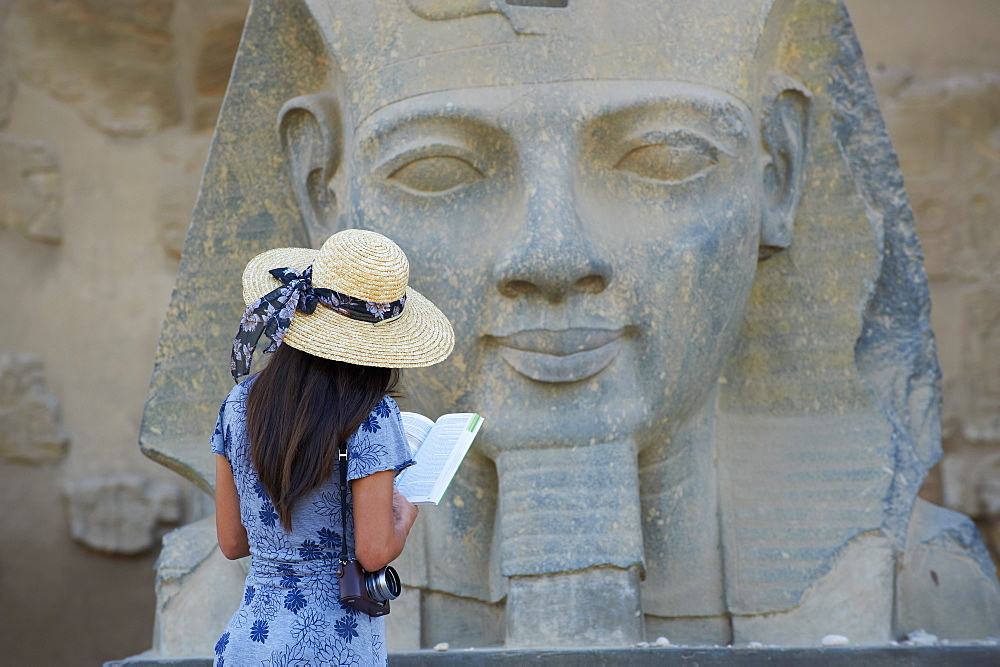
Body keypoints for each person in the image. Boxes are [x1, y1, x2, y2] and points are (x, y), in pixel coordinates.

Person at [210, 228, 454, 665]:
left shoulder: (238, 403)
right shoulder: (371, 416)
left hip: (249, 643)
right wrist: (404, 516)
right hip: (333, 646)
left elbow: (232, 542)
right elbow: (374, 551)